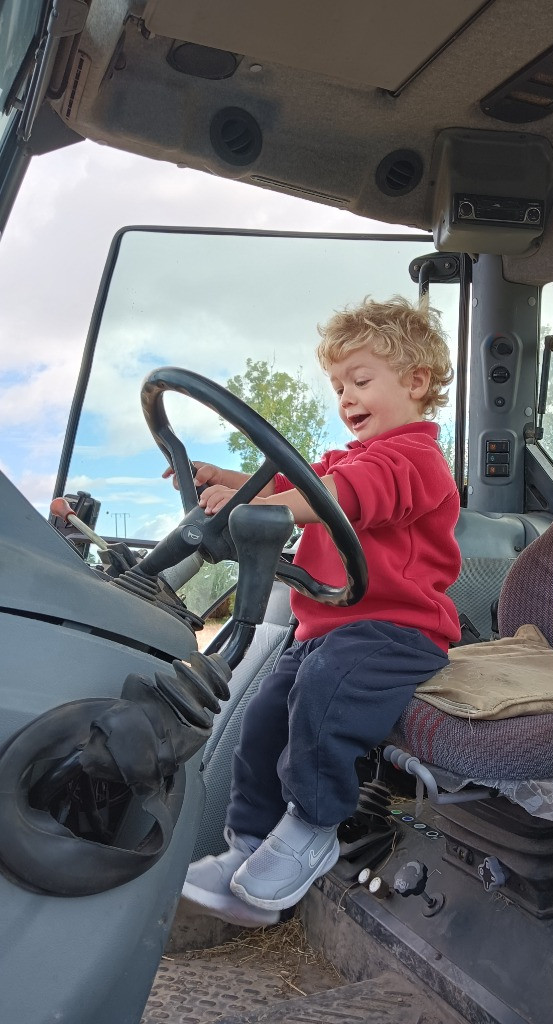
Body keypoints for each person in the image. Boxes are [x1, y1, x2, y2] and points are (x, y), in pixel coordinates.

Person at [177, 296, 461, 928]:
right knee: (262, 721)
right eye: (338, 387)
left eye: (361, 381)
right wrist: (220, 481)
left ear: (416, 382)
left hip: (397, 631)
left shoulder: (416, 460)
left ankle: (312, 827)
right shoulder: (342, 460)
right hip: (327, 630)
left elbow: (345, 497)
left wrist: (272, 507)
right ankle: (247, 846)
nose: (346, 398)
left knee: (323, 704)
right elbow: (293, 482)